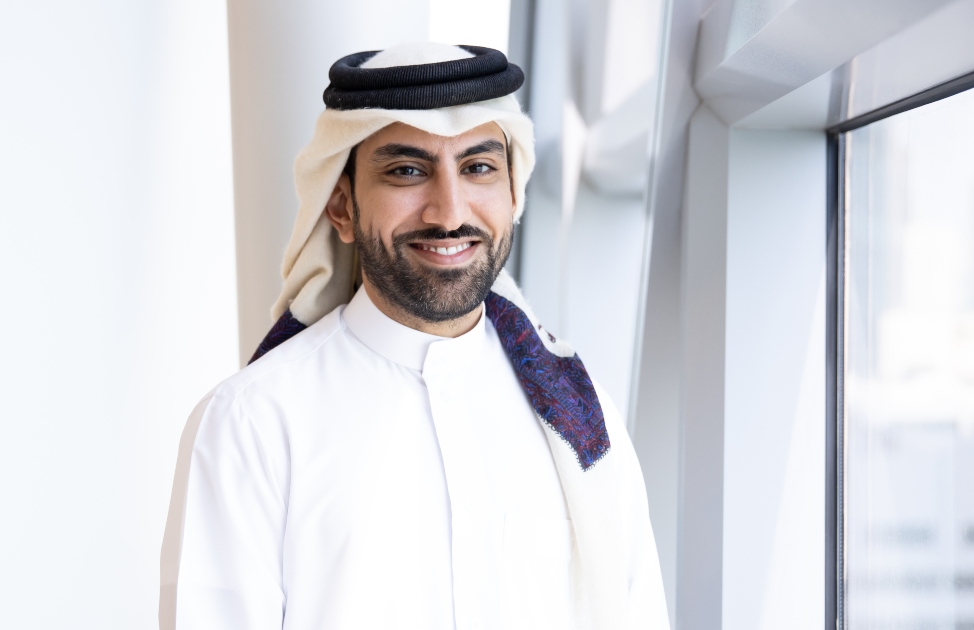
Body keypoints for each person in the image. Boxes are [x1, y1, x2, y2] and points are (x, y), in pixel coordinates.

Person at [159, 41, 669, 630]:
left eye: (478, 168)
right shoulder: (251, 423)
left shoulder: (583, 421)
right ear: (342, 207)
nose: (449, 212)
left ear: (513, 194)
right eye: (407, 171)